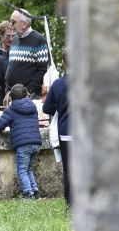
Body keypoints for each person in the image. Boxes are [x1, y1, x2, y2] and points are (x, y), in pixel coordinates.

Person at [0, 84, 42, 199]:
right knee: (28, 169)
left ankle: (27, 194)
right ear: (26, 95)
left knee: (22, 170)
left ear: (11, 97)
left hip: (23, 144)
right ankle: (35, 191)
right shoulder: (33, 107)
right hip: (36, 142)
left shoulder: (11, 110)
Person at [43, 48, 71, 207]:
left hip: (66, 132)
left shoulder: (58, 84)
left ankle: (70, 204)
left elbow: (47, 109)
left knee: (68, 170)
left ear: (63, 62)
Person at [5, 9, 49, 99]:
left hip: (30, 96)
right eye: (10, 21)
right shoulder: (15, 39)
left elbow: (43, 70)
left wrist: (28, 90)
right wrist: (7, 90)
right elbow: (10, 68)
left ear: (24, 24)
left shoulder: (39, 40)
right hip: (12, 95)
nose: (10, 25)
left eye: (13, 22)